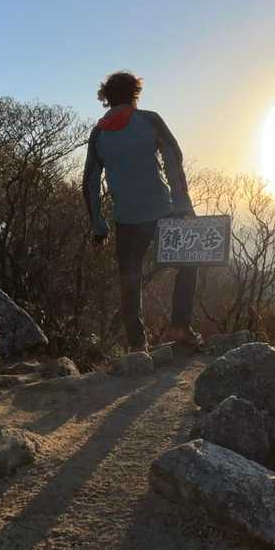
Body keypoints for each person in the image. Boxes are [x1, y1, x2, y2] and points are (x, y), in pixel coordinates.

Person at [82, 71, 201, 352]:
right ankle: (180, 326)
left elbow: (89, 183)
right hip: (163, 212)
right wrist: (184, 206)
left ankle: (137, 345)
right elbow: (173, 160)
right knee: (188, 262)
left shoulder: (99, 132)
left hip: (126, 219)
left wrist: (99, 226)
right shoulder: (149, 120)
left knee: (129, 280)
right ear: (135, 93)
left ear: (106, 97)